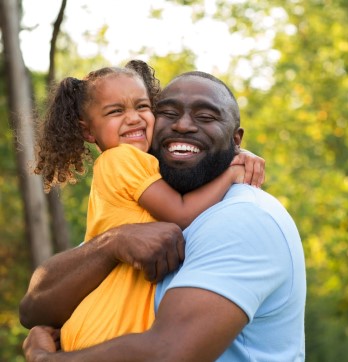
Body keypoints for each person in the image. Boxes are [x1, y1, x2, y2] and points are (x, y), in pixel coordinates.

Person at [21, 70, 306, 361]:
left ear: (236, 140)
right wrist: (112, 244)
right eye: (167, 113)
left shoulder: (244, 218)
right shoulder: (140, 208)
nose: (182, 126)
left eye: (206, 117)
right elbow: (34, 309)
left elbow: (168, 353)